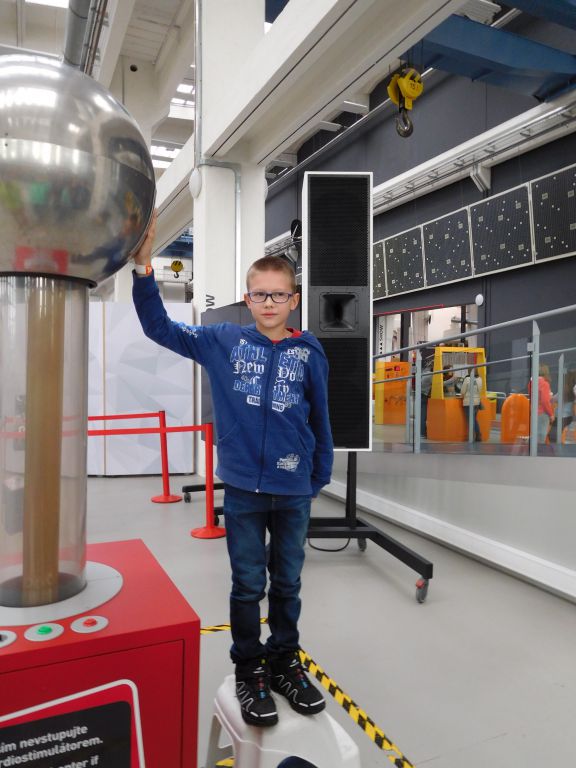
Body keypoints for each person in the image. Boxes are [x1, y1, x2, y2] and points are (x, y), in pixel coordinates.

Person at [132, 213, 333, 727]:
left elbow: (321, 419)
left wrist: (317, 478)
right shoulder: (223, 341)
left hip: (293, 490)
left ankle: (284, 661)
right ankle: (250, 669)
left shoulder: (310, 352)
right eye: (260, 294)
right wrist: (144, 268)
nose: (269, 303)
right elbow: (159, 328)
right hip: (243, 491)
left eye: (279, 295)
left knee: (287, 582)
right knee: (247, 585)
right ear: (248, 298)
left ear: (293, 300)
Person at [529, 364, 555, 443]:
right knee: (541, 436)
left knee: (535, 435)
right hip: (543, 413)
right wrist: (551, 414)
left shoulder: (531, 382)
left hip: (534, 412)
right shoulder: (544, 384)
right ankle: (538, 450)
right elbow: (545, 401)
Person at [460, 367, 482, 441]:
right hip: (477, 402)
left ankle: (471, 437)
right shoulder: (480, 379)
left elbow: (462, 391)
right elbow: (480, 390)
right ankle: (478, 436)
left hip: (468, 402)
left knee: (470, 420)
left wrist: (462, 395)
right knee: (474, 419)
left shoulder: (467, 379)